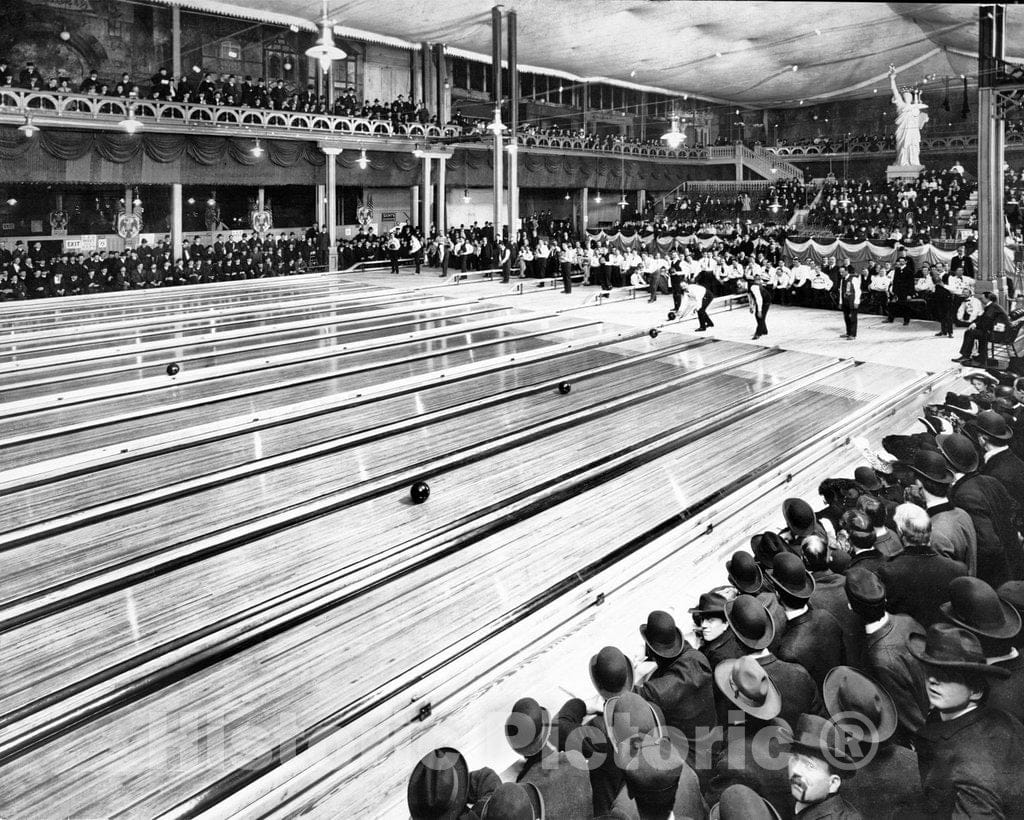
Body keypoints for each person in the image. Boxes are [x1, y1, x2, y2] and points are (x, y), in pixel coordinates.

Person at [909, 623, 1024, 817]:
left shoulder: (970, 768)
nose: (933, 680)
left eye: (948, 674)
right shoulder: (1004, 719)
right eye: (930, 669)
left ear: (976, 690)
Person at [782, 713, 863, 819]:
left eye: (810, 765)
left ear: (833, 783)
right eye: (795, 758)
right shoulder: (794, 802)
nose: (796, 770)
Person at [953, 291, 1010, 364]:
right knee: (979, 332)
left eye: (982, 298)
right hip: (999, 332)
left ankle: (966, 356)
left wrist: (976, 325)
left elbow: (986, 322)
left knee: (970, 333)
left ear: (988, 299)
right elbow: (984, 319)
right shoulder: (993, 306)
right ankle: (982, 355)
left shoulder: (992, 307)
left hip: (997, 335)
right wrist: (976, 324)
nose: (981, 299)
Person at [888, 65, 928, 168]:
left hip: (913, 130)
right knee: (903, 146)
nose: (907, 97)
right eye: (905, 96)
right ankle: (902, 162)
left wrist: (923, 118)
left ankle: (914, 162)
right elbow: (894, 90)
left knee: (913, 146)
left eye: (909, 96)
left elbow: (920, 117)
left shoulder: (915, 107)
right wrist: (892, 79)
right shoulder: (901, 105)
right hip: (903, 130)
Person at [839, 265, 861, 339]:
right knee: (846, 318)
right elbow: (841, 292)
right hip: (845, 302)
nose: (841, 273)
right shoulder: (842, 280)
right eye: (840, 272)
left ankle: (853, 334)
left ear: (846, 271)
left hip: (852, 301)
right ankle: (848, 333)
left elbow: (858, 291)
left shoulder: (854, 278)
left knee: (853, 318)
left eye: (842, 272)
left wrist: (856, 302)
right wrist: (840, 302)